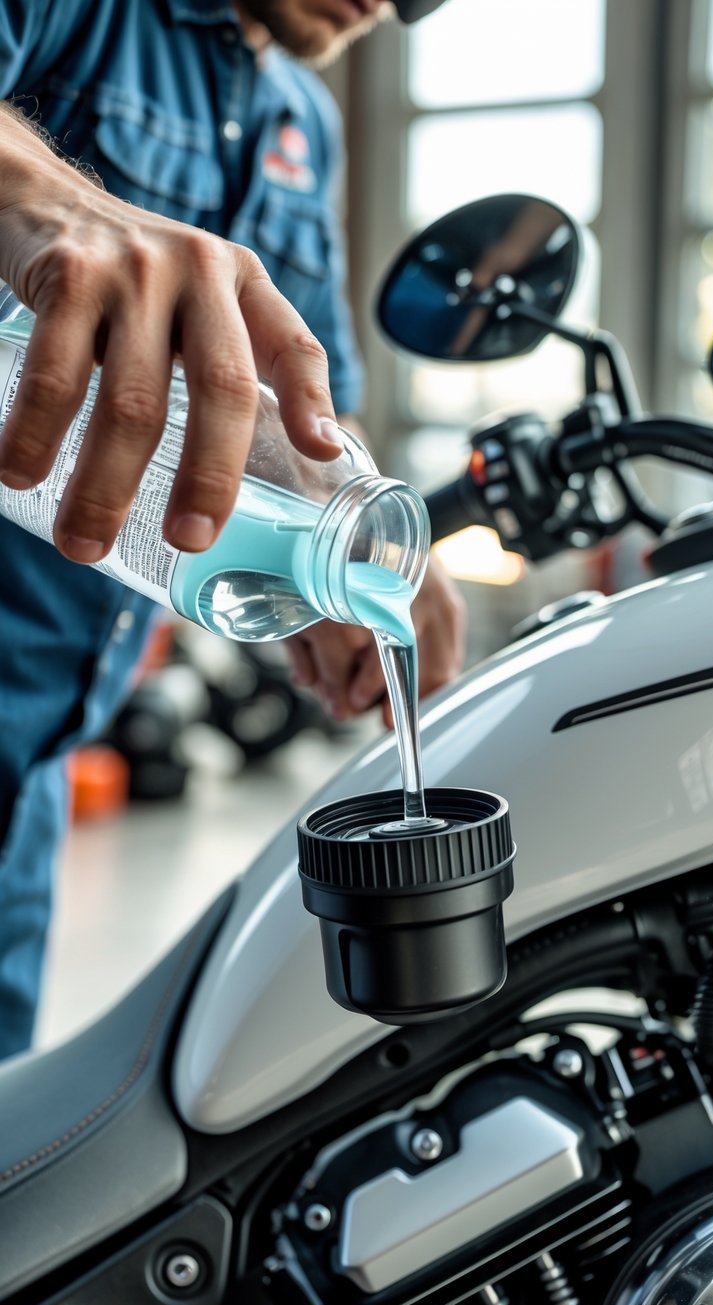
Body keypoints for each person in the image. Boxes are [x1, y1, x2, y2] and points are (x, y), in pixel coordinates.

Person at [0, 0, 465, 1059]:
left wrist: (369, 555)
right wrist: (48, 194)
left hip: (32, 772)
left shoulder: (305, 124)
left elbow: (313, 414)